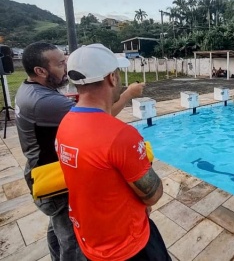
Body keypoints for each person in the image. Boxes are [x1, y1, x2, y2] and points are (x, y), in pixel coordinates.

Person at [14, 42, 144, 261]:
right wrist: (129, 93)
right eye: (60, 63)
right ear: (40, 71)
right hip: (55, 176)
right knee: (73, 239)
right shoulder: (44, 102)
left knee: (57, 227)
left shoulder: (29, 90)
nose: (66, 68)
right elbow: (98, 116)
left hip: (44, 171)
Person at [56, 44, 171, 261]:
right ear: (112, 78)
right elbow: (153, 195)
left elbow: (101, 124)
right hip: (128, 245)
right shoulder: (121, 136)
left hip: (91, 240)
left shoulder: (66, 123)